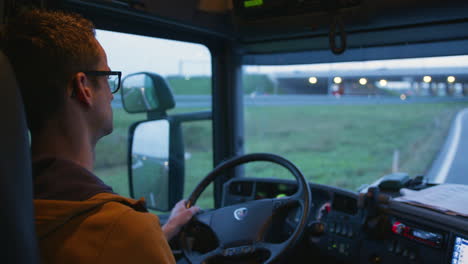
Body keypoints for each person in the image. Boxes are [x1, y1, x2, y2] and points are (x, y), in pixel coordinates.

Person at [1, 8, 199, 263]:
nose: (112, 94)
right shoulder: (124, 229)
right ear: (84, 88)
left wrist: (166, 231)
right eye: (108, 76)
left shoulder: (17, 211)